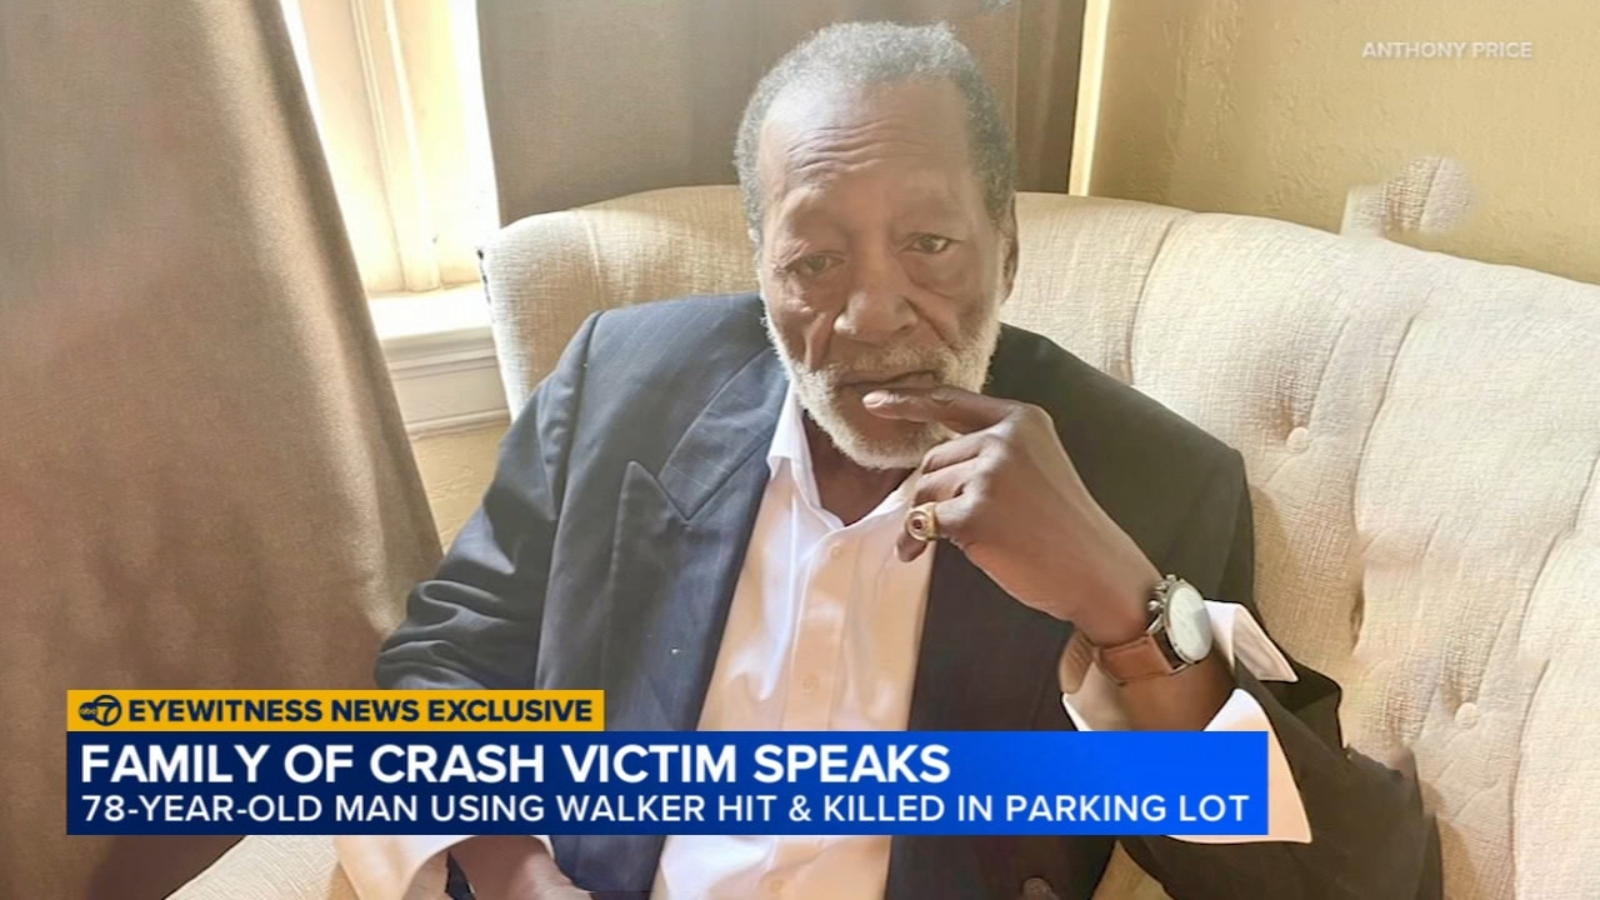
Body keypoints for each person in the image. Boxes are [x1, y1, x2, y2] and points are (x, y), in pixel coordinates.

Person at [337, 21, 1438, 900]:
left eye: (930, 244)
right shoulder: (621, 384)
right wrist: (515, 871)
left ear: (1007, 250)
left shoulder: (1147, 476)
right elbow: (446, 657)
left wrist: (1120, 604)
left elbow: (1343, 881)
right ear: (760, 267)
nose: (872, 315)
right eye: (815, 260)